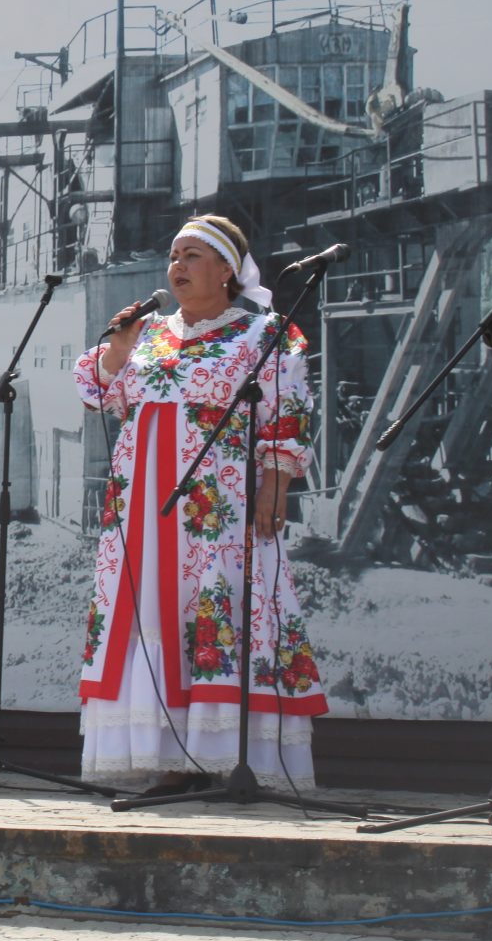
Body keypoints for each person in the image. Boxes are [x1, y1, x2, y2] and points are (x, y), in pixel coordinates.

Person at [71, 213, 326, 792]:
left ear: (227, 271)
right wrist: (116, 350)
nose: (176, 267)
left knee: (211, 604)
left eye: (191, 256)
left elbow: (286, 417)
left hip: (216, 507)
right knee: (150, 610)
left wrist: (274, 484)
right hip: (141, 506)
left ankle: (221, 757)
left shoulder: (263, 336)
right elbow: (98, 393)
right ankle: (163, 757)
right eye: (173, 256)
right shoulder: (149, 335)